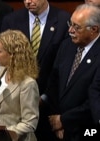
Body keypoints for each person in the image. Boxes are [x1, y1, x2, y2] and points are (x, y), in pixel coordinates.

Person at [1, 0, 71, 140]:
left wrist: (45, 97)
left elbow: (64, 66)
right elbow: (4, 62)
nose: (28, 1)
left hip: (50, 104)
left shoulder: (64, 20)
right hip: (17, 105)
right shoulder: (11, 20)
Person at [43, 4, 100, 141]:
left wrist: (64, 120)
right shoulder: (66, 46)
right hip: (57, 128)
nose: (70, 30)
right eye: (71, 24)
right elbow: (53, 83)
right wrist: (56, 120)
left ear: (94, 29)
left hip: (85, 130)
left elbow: (95, 98)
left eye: (77, 27)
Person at [0, 29, 39, 141]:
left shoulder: (28, 84)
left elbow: (30, 122)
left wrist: (6, 134)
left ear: (12, 55)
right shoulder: (2, 70)